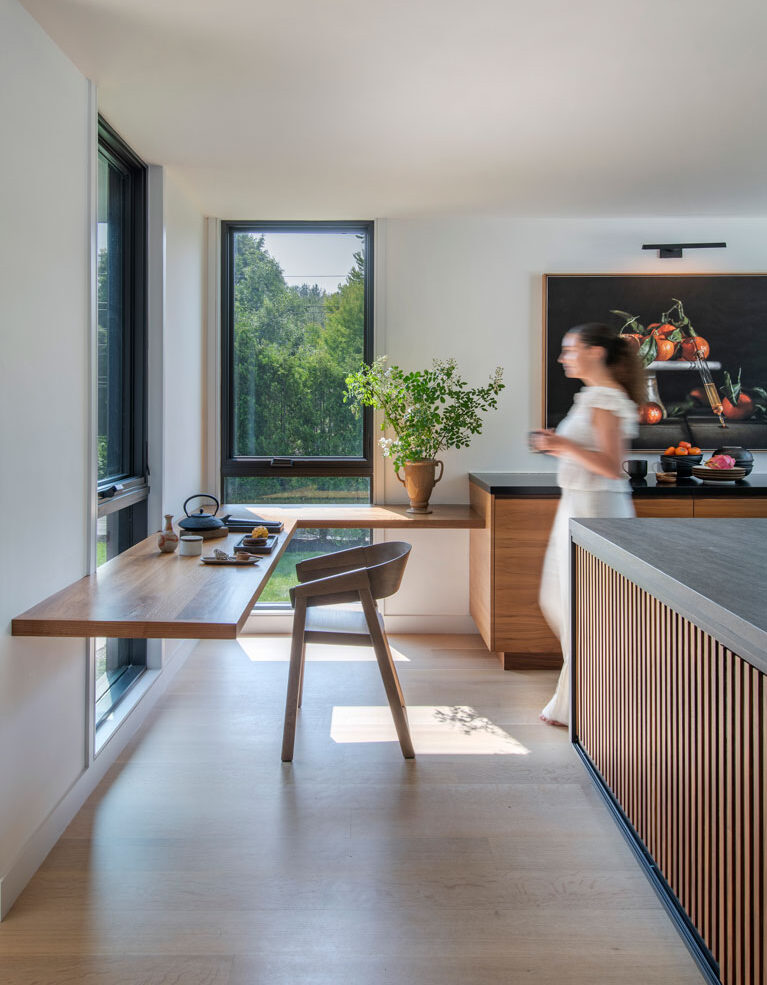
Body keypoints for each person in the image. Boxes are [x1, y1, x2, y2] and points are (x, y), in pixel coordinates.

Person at [530, 323, 643, 727]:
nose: (563, 357)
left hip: (597, 512)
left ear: (595, 352)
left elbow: (612, 467)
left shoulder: (606, 398)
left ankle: (583, 705)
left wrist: (560, 445)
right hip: (578, 505)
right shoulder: (594, 398)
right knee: (563, 600)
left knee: (585, 607)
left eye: (569, 349)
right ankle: (588, 698)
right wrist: (558, 446)